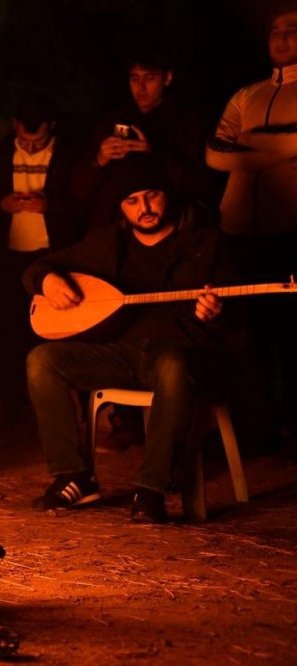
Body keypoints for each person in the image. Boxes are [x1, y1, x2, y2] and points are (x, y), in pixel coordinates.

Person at [24, 156, 234, 523]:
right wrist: (48, 280)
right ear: (122, 207)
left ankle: (151, 489)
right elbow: (37, 269)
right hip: (121, 354)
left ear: (167, 195)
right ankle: (74, 476)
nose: (145, 208)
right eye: (132, 200)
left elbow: (239, 323)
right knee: (43, 360)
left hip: (182, 355)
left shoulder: (206, 243)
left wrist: (213, 315)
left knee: (171, 364)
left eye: (152, 195)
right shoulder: (107, 244)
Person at [206, 3, 297, 447]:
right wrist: (278, 151)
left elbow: (233, 150)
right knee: (245, 331)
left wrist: (251, 147)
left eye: (292, 30)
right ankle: (258, 426)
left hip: (291, 226)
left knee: (291, 332)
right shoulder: (247, 95)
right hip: (239, 227)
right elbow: (214, 152)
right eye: (275, 31)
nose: (282, 38)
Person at [0, 92, 86, 416]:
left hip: (54, 257)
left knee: (57, 329)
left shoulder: (69, 157)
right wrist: (0, 205)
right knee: (4, 329)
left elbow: (85, 206)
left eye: (39, 141)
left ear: (52, 127)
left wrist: (50, 208)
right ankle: (4, 404)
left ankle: (62, 405)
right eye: (25, 139)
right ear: (15, 126)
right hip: (8, 257)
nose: (31, 148)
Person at [71, 46, 212, 232]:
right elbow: (79, 189)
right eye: (134, 79)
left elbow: (199, 185)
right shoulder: (111, 122)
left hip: (166, 232)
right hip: (113, 233)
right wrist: (100, 159)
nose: (141, 87)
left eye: (150, 78)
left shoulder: (187, 124)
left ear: (167, 78)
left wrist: (154, 154)